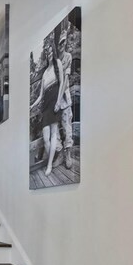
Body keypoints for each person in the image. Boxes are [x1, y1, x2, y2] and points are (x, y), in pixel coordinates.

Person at [30, 37, 66, 176]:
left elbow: (62, 82)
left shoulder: (58, 63)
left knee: (53, 134)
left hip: (54, 101)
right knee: (46, 138)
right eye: (47, 53)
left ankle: (49, 165)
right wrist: (32, 105)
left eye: (51, 52)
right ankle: (53, 158)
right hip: (45, 104)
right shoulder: (45, 72)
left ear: (53, 52)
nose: (49, 54)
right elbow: (40, 95)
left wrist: (58, 102)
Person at [58, 31, 74, 169]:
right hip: (56, 99)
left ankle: (68, 153)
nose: (62, 45)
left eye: (64, 42)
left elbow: (65, 80)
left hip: (64, 97)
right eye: (60, 42)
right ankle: (60, 153)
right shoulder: (56, 60)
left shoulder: (68, 56)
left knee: (67, 126)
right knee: (57, 127)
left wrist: (59, 99)